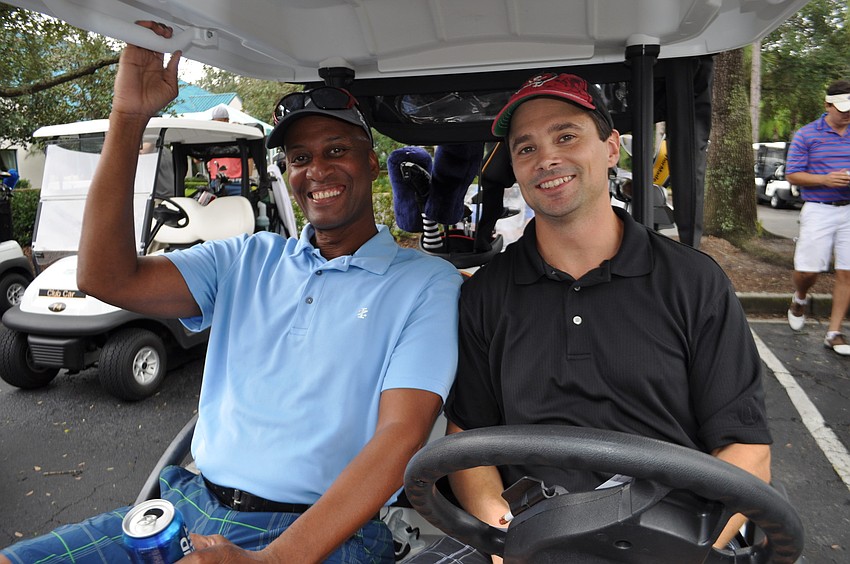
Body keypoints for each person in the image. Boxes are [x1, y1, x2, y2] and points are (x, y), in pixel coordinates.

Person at [0, 21, 462, 564]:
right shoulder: (247, 256)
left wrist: (275, 560)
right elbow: (104, 278)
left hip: (322, 533)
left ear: (368, 161)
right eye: (299, 158)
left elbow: (400, 438)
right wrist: (128, 119)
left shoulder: (426, 282)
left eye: (336, 150)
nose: (317, 171)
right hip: (188, 504)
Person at [407, 72, 772, 563]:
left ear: (611, 148)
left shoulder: (694, 283)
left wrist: (688, 548)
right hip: (532, 536)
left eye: (566, 136)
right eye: (526, 148)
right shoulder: (486, 296)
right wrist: (505, 541)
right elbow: (469, 443)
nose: (547, 159)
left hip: (673, 538)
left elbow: (747, 450)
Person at [785, 80, 850, 355]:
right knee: (807, 271)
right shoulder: (807, 134)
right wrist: (825, 179)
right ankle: (800, 298)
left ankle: (834, 331)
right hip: (818, 208)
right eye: (842, 108)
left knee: (847, 272)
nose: (847, 113)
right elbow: (792, 174)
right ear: (827, 105)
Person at [207, 105, 244, 184]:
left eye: (219, 121)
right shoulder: (211, 138)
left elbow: (248, 158)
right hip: (216, 180)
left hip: (236, 180)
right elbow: (197, 160)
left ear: (226, 120)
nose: (216, 124)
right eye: (214, 121)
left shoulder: (236, 135)